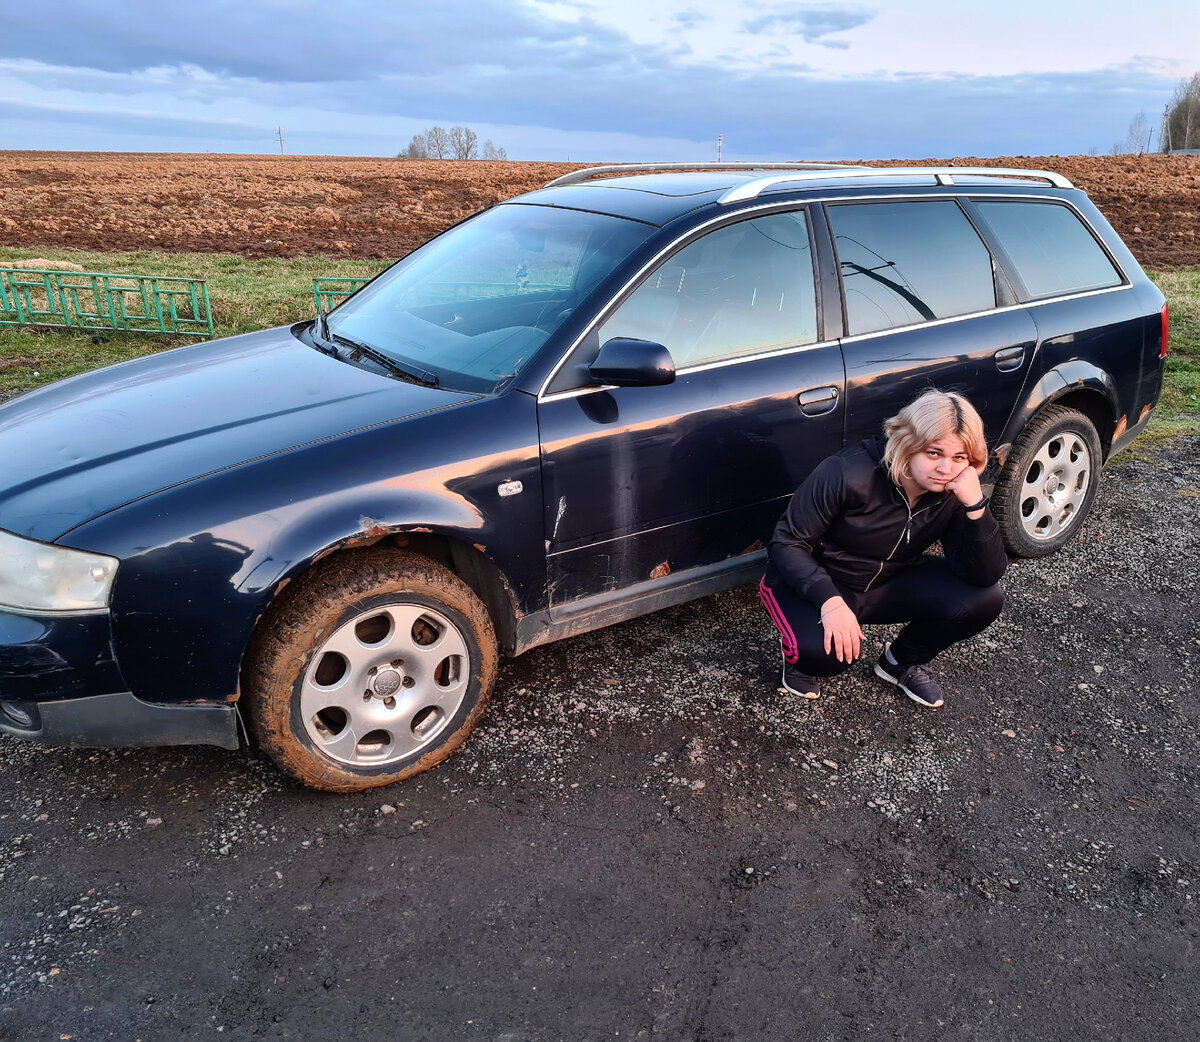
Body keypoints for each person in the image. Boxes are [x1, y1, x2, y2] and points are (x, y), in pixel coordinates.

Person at [758, 389, 1007, 708]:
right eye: (934, 453)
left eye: (958, 458)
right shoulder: (847, 473)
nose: (946, 469)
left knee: (985, 599)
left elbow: (983, 574)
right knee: (826, 657)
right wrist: (830, 602)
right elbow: (787, 543)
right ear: (909, 444)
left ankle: (898, 663)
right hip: (820, 584)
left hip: (886, 583)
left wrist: (976, 507)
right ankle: (798, 658)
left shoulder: (953, 492)